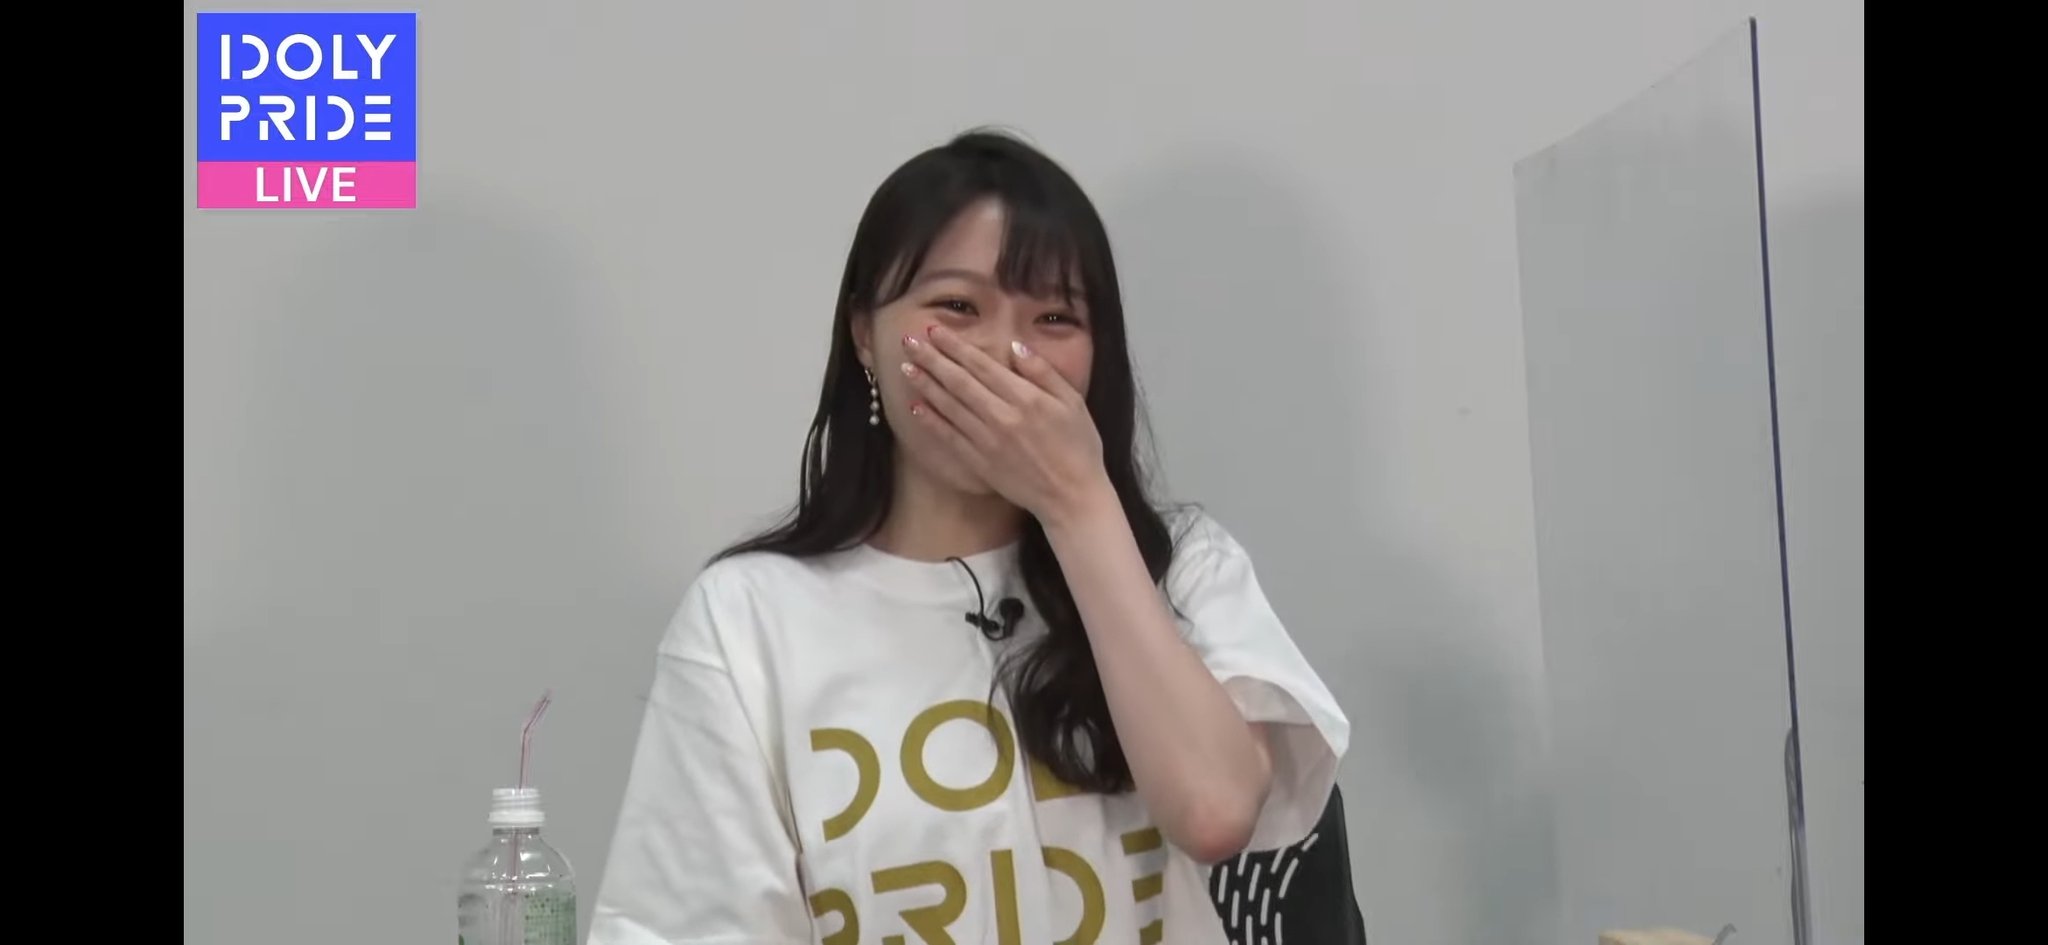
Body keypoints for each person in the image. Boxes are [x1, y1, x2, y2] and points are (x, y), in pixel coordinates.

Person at [588, 129, 1349, 945]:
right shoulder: (747, 620)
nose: (1006, 356)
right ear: (864, 333)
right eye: (957, 307)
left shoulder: (1182, 566)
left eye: (1055, 317)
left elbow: (1214, 811)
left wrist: (1077, 503)